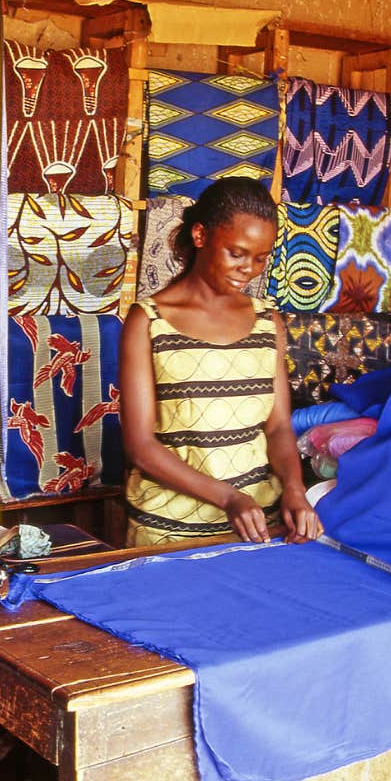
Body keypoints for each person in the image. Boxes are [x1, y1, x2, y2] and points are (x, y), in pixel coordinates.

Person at [119, 177, 323, 547]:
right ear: (200, 236)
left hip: (260, 526)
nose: (249, 269)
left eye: (261, 258)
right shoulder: (149, 321)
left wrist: (294, 490)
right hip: (169, 530)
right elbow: (141, 445)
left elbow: (277, 427)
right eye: (237, 253)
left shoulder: (267, 321)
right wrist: (228, 498)